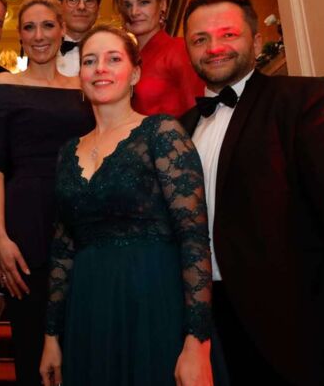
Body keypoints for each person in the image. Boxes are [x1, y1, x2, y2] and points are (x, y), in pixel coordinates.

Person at [178, 0, 324, 385]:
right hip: (214, 338)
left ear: (256, 42)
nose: (214, 47)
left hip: (306, 337)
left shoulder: (308, 101)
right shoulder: (179, 130)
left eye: (228, 34)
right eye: (200, 39)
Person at [38, 25, 216, 386]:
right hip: (89, 307)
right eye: (90, 61)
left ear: (135, 73)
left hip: (153, 299)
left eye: (113, 59)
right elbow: (62, 247)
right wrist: (51, 336)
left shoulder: (162, 133)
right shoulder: (67, 152)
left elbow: (194, 239)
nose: (100, 68)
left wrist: (198, 342)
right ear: (80, 76)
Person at [0, 0, 95, 386]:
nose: (39, 35)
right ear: (20, 36)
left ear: (62, 30)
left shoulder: (84, 87)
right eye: (29, 27)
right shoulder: (4, 85)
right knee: (32, 345)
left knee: (82, 344)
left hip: (81, 223)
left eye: (48, 25)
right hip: (25, 224)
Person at [113, 0, 203, 117]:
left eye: (144, 2)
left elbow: (197, 110)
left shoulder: (178, 49)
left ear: (162, 4)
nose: (134, 12)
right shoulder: (127, 59)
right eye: (127, 5)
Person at [55, 0, 104, 76]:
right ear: (60, 6)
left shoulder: (111, 49)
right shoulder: (44, 50)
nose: (81, 7)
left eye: (89, 0)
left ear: (98, 8)